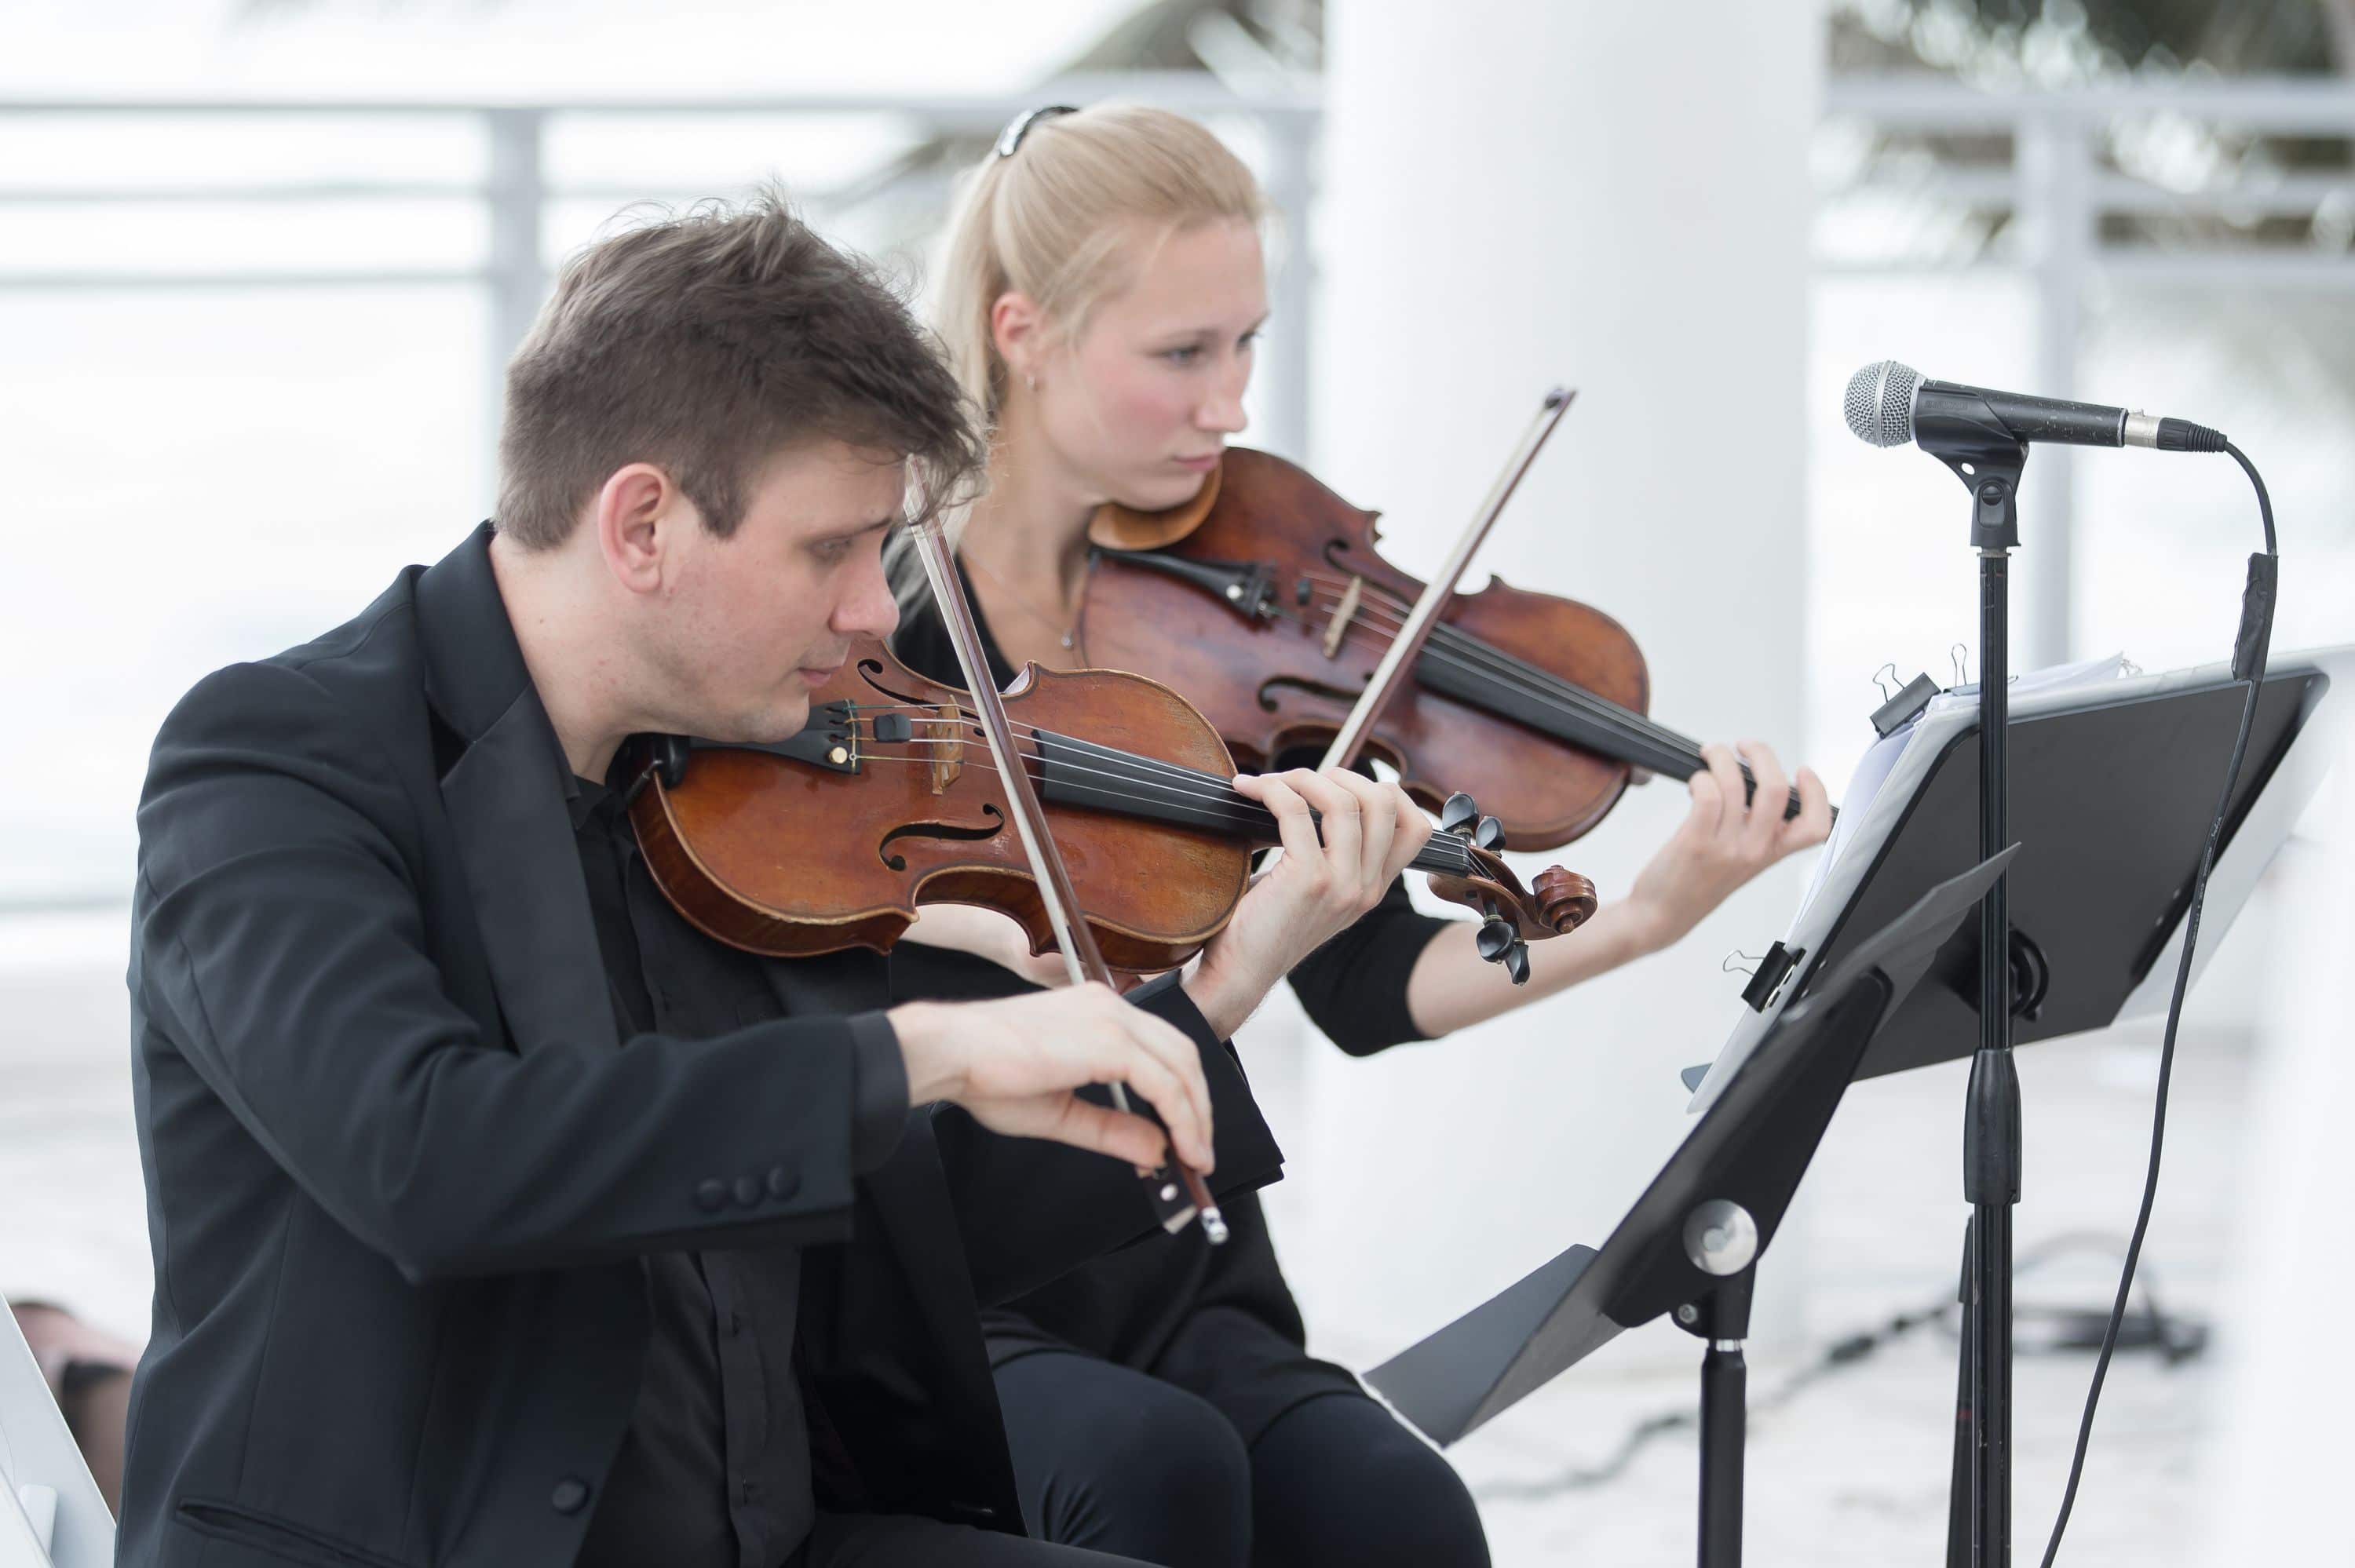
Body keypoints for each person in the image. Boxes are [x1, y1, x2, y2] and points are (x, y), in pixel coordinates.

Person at [119, 191, 1428, 1568]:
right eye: (832, 548)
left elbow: (895, 1246)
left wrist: (1213, 987)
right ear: (642, 525)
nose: (876, 609)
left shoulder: (738, 789)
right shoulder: (276, 759)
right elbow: (429, 1158)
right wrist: (925, 1045)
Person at [885, 105, 1835, 1568]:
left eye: (1250, 342)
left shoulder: (1219, 633)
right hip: (966, 1280)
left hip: (1177, 1266)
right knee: (1158, 1478)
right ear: (1025, 333)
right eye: (1184, 354)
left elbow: (1375, 989)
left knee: (1407, 1514)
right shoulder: (878, 637)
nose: (1235, 404)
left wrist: (1646, 916)